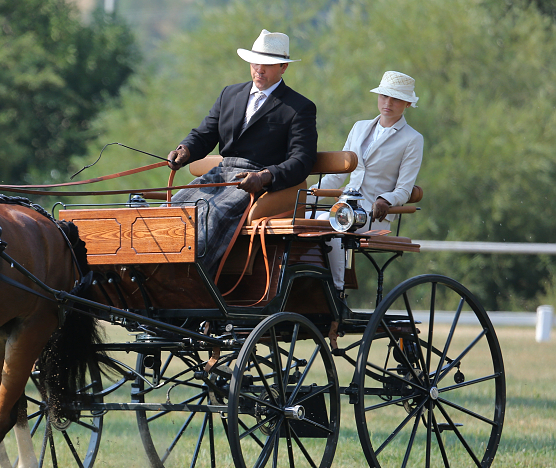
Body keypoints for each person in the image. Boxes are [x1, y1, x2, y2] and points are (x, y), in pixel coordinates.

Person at [166, 30, 317, 275]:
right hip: (220, 174)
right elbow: (205, 133)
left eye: (267, 65)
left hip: (256, 182)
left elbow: (302, 160)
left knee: (212, 215)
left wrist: (265, 176)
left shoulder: (299, 108)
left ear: (283, 67)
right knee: (175, 209)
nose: (259, 69)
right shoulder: (230, 94)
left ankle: (190, 279)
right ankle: (155, 272)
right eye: (255, 62)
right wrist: (185, 150)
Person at [309, 71, 424, 295]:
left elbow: (404, 188)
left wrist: (385, 200)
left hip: (373, 216)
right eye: (384, 96)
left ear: (408, 103)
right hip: (344, 208)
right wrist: (306, 194)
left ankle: (336, 293)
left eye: (396, 99)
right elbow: (338, 174)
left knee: (329, 224)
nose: (387, 103)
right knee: (303, 220)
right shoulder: (360, 127)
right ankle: (309, 286)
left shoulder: (412, 139)